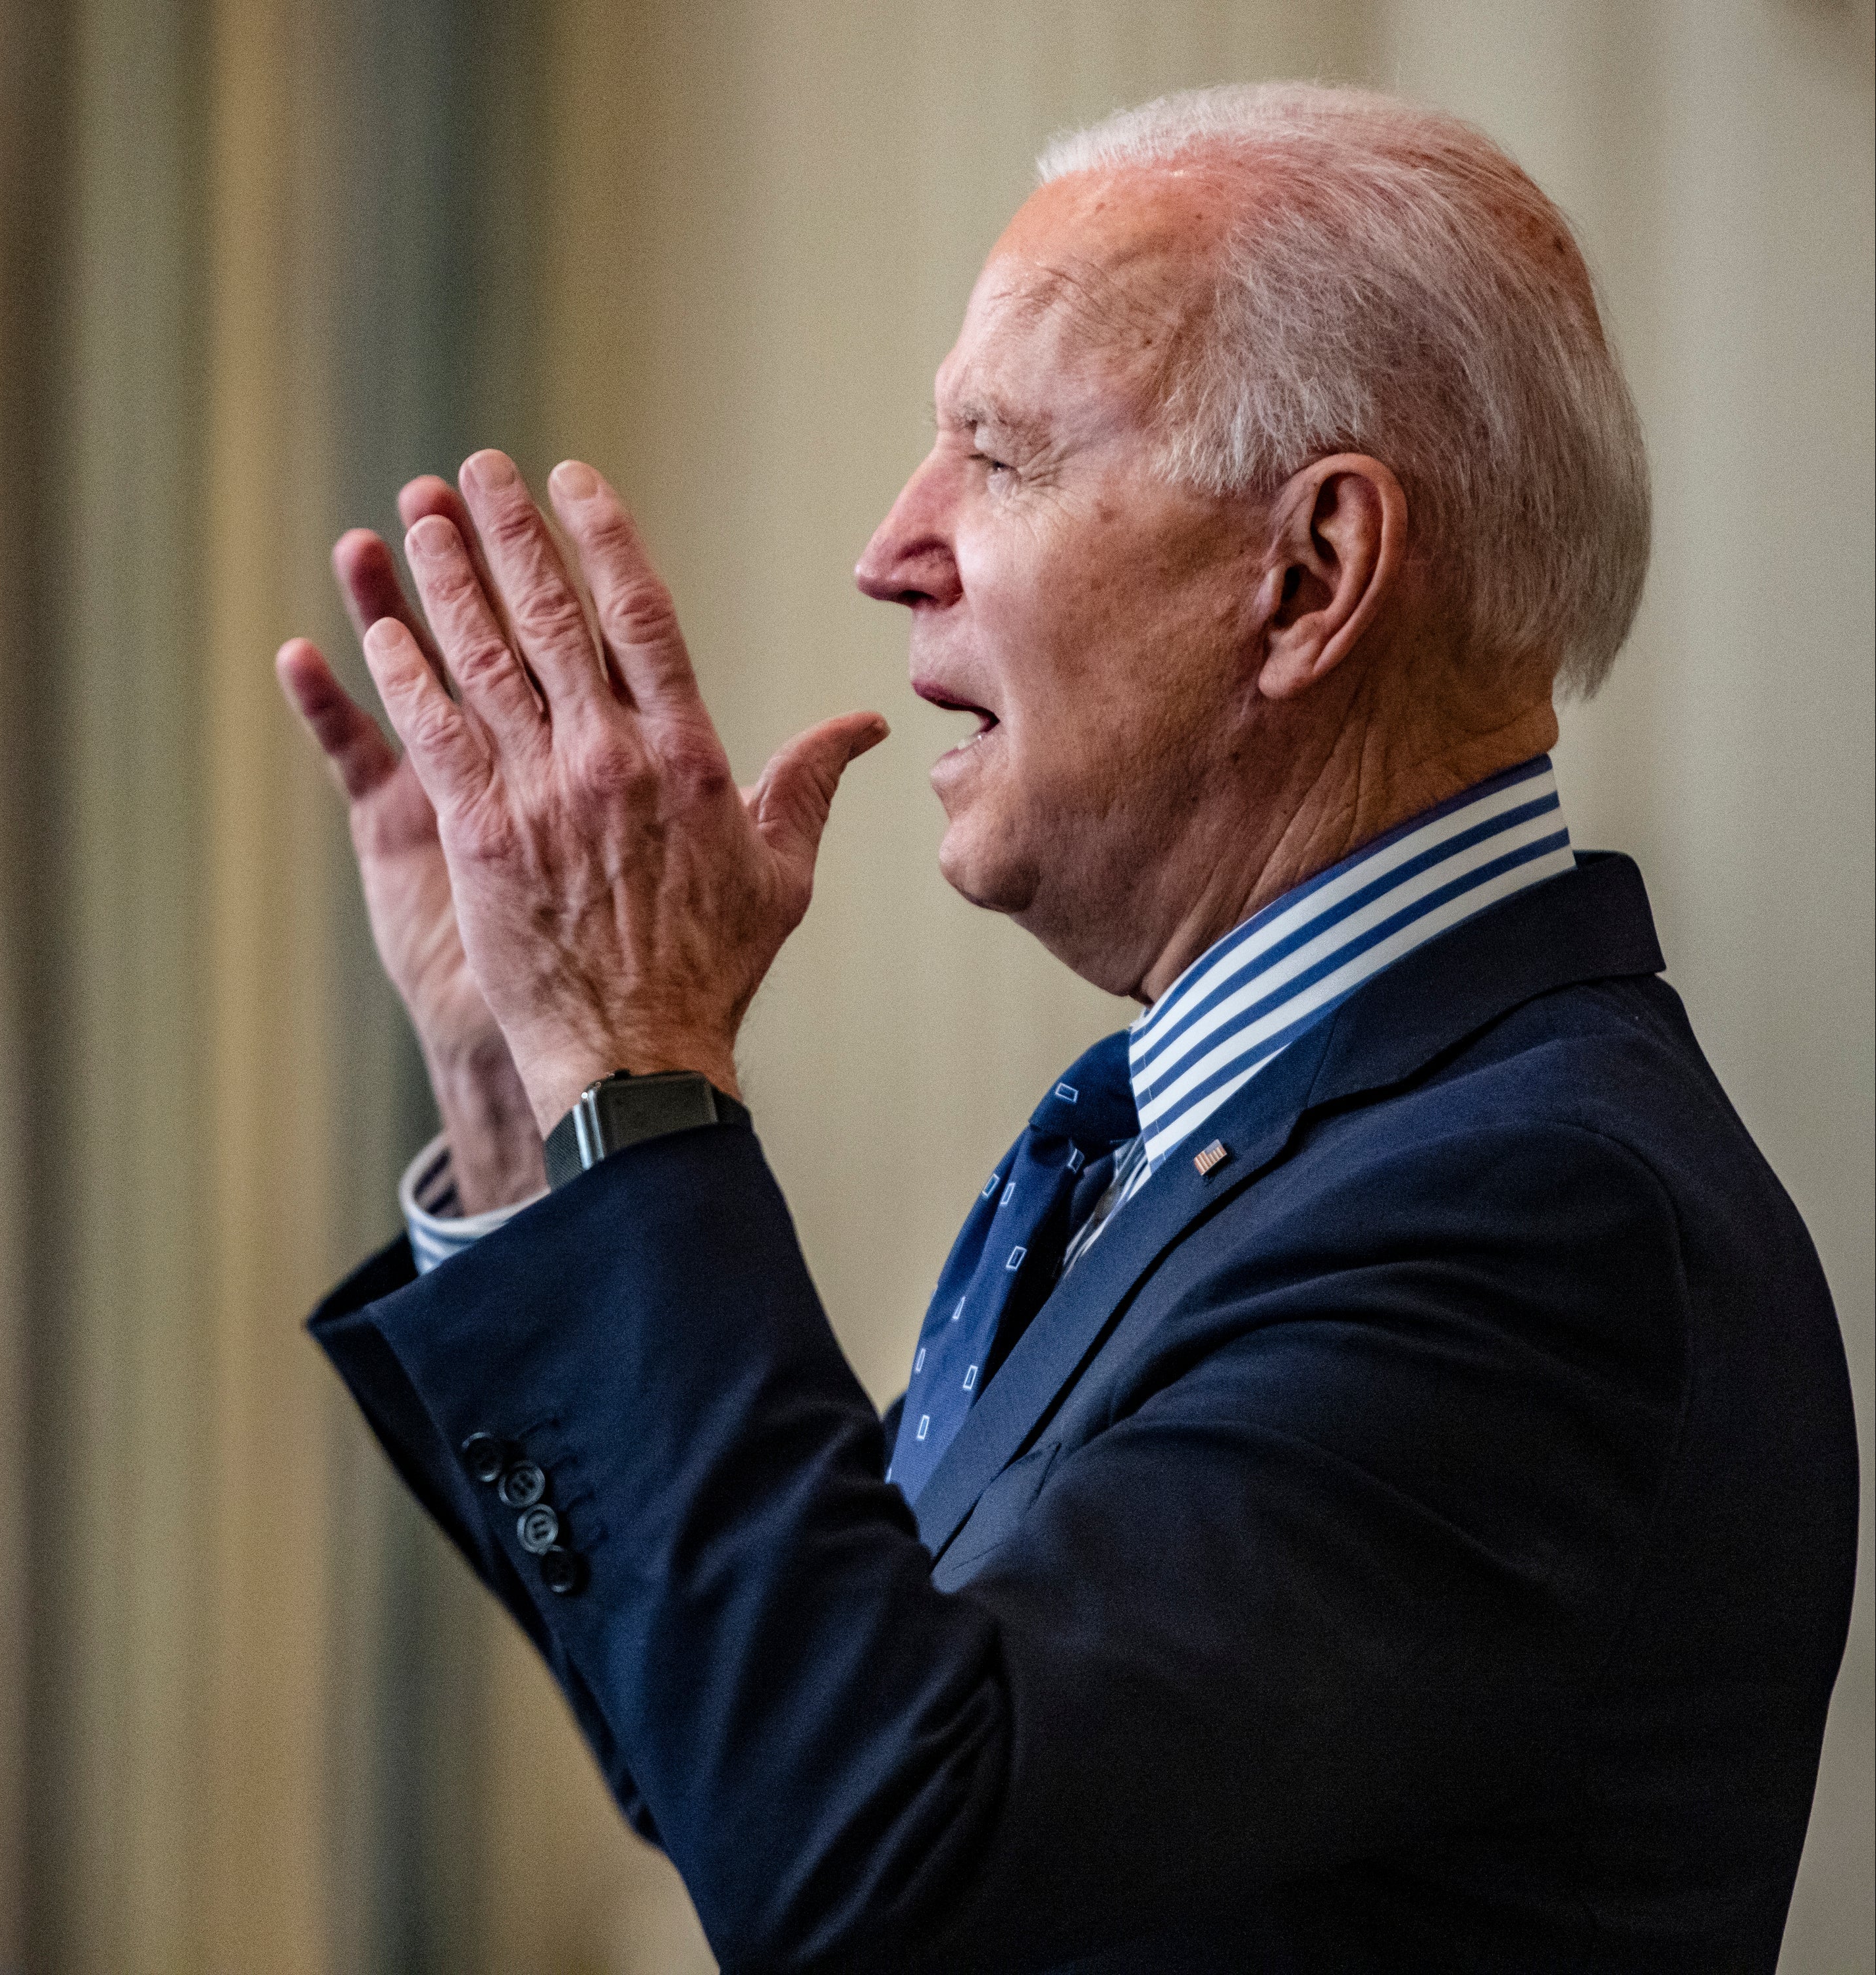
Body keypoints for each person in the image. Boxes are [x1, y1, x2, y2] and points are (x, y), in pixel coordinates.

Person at [273, 82, 1858, 1972]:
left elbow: (876, 1867)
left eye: (997, 457)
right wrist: (536, 1100)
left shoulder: (1539, 1218)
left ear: (1308, 577)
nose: (891, 547)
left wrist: (641, 1064)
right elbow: (748, 1741)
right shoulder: (1169, 1133)